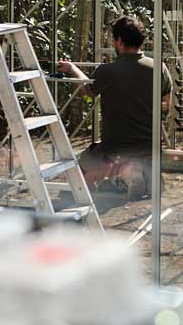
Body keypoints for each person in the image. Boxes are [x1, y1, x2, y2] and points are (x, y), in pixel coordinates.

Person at [58, 14, 172, 200]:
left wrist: (72, 69)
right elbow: (167, 103)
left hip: (116, 147)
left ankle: (124, 173)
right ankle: (142, 174)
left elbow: (87, 90)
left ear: (119, 41)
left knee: (86, 162)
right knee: (134, 160)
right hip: (150, 147)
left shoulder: (108, 71)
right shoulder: (159, 68)